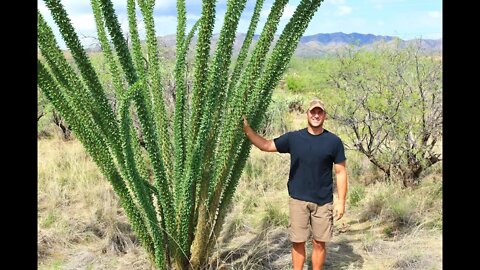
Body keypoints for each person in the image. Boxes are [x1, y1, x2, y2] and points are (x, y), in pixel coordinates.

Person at [242, 98, 348, 270]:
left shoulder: (334, 141)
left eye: (319, 112)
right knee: (298, 242)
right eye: (312, 111)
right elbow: (266, 145)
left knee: (319, 243)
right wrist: (247, 130)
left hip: (323, 202)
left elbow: (341, 172)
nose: (316, 115)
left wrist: (341, 202)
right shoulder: (294, 138)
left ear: (324, 116)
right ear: (307, 114)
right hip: (298, 200)